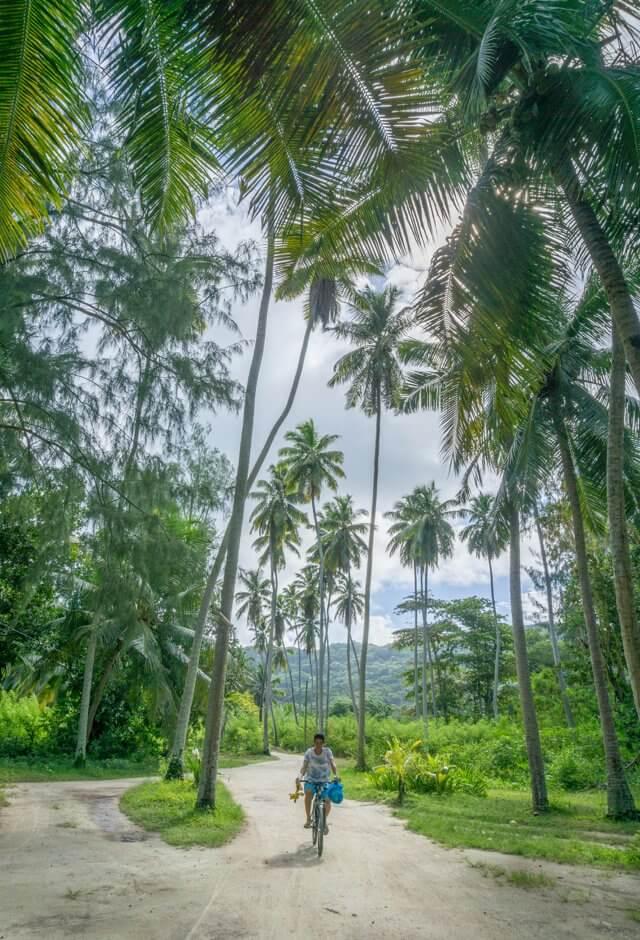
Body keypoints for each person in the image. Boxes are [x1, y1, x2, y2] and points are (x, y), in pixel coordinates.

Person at [296, 732, 337, 834]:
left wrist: (336, 775)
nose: (318, 745)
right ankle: (308, 819)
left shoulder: (327, 752)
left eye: (320, 743)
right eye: (316, 743)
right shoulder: (309, 752)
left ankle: (323, 821)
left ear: (324, 743)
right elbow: (304, 766)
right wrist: (299, 777)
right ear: (313, 742)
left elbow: (332, 764)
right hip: (311, 779)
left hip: (324, 780)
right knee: (309, 794)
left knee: (327, 800)